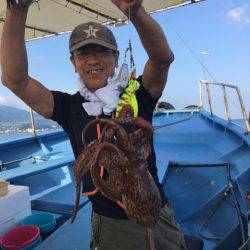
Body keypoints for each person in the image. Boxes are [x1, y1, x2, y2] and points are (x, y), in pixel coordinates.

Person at [1, 0, 186, 249]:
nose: (93, 59)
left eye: (102, 50)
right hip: (111, 225)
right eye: (83, 53)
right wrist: (16, 9)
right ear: (74, 62)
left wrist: (136, 11)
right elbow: (16, 80)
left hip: (157, 212)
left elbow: (162, 58)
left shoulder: (137, 93)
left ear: (116, 56)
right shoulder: (67, 107)